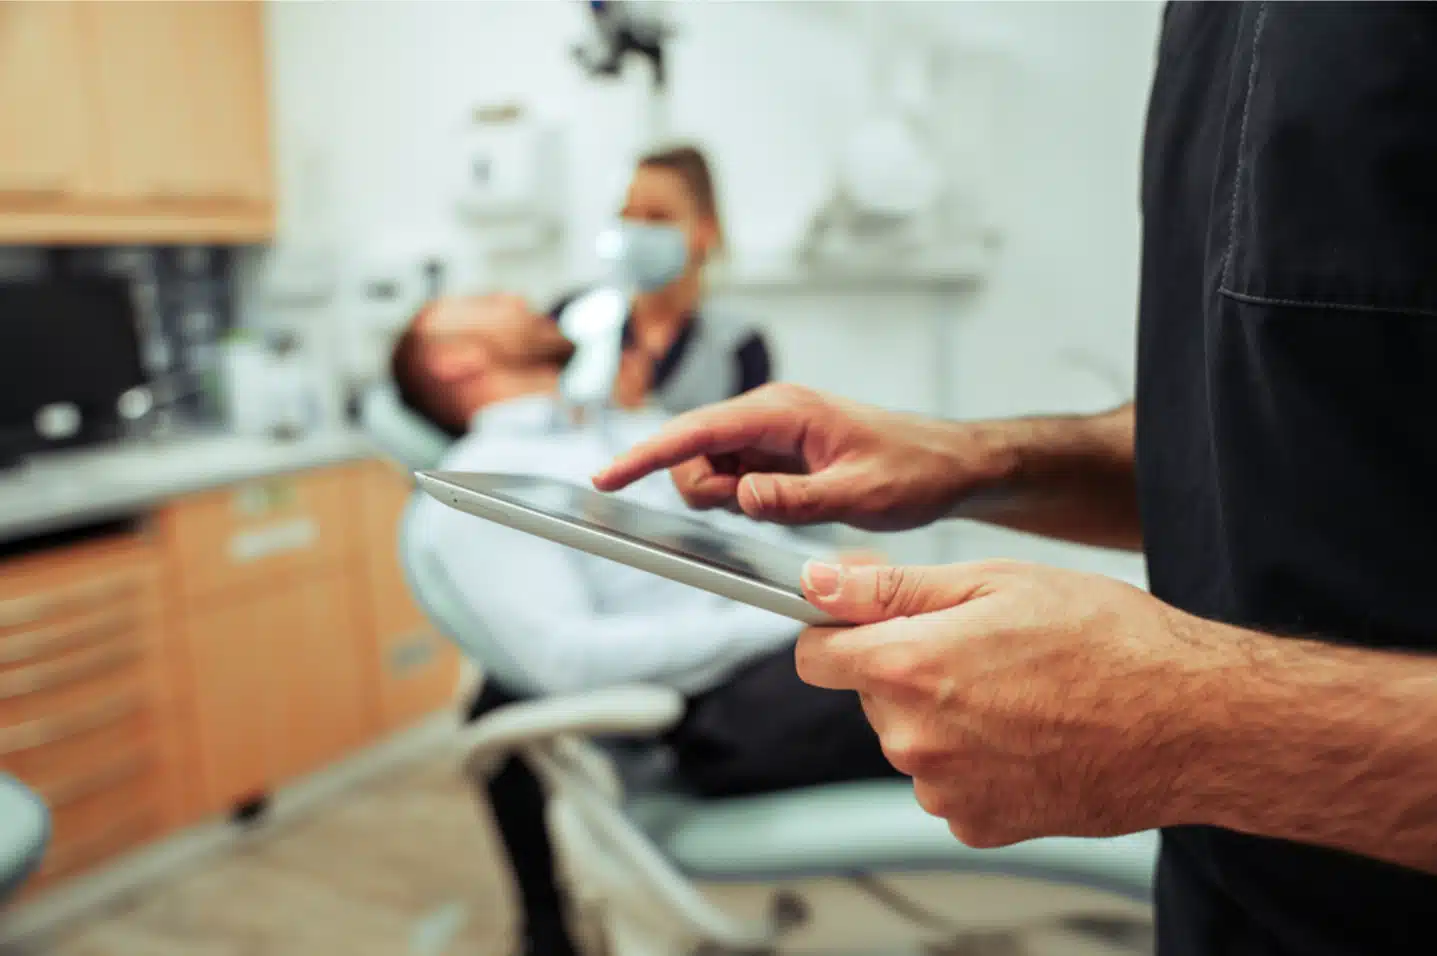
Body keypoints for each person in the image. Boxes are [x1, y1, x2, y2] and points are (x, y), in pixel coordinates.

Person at [591, 4, 1437, 954]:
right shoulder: (1210, 28)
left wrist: (1194, 724)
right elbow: (1252, 436)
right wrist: (975, 460)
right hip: (1222, 896)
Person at [390, 297, 897, 956]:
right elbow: (567, 661)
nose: (516, 297)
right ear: (450, 358)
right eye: (483, 300)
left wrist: (831, 575)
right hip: (724, 707)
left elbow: (726, 540)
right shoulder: (480, 488)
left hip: (789, 652)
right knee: (985, 681)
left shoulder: (609, 433)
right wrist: (793, 613)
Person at [552, 143, 772, 416]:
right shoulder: (572, 318)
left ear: (706, 230)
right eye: (627, 215)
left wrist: (644, 415)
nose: (638, 230)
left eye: (658, 216)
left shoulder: (738, 347)